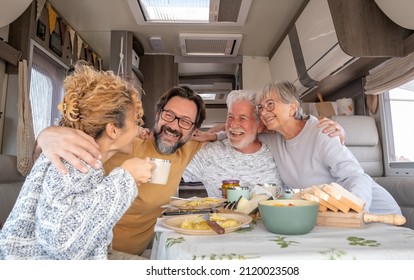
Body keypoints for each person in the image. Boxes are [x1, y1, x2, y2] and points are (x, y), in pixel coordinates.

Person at [36, 85, 344, 257]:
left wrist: (328, 130)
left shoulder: (190, 147)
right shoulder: (126, 140)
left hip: (132, 253)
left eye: (185, 122)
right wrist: (46, 134)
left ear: (193, 130)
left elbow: (255, 132)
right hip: (87, 254)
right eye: (169, 115)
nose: (174, 126)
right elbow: (62, 151)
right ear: (156, 115)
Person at [0, 62, 154, 259]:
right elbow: (62, 244)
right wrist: (126, 178)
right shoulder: (74, 162)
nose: (139, 130)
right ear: (113, 130)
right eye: (136, 121)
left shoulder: (79, 156)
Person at [254, 80, 401, 214]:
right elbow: (240, 130)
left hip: (373, 211)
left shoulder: (322, 132)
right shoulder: (273, 140)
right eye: (260, 108)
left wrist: (354, 211)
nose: (264, 112)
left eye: (270, 104)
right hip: (332, 217)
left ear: (292, 107)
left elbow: (355, 176)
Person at [183, 90, 284, 197]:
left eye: (242, 118)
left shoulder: (276, 152)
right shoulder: (210, 153)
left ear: (259, 126)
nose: (234, 124)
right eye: (230, 117)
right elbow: (171, 169)